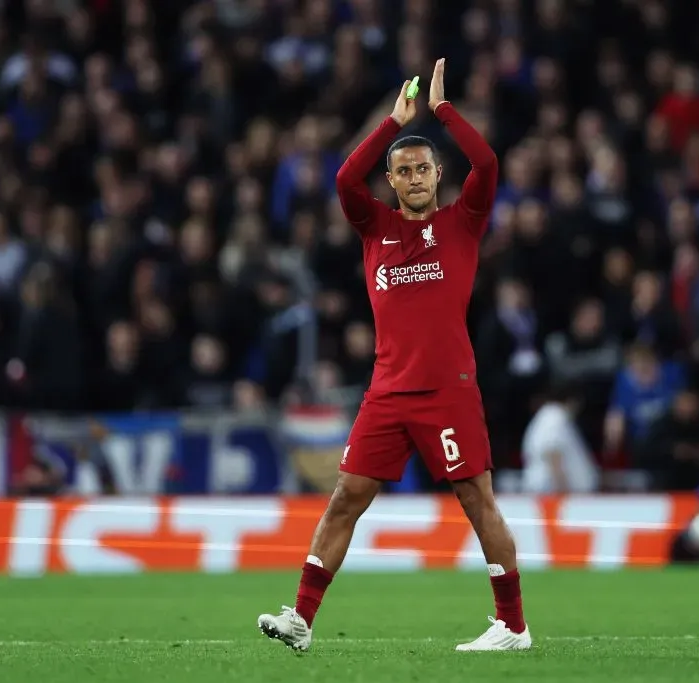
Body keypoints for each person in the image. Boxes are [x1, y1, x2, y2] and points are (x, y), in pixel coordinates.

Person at [257, 60, 530, 652]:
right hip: (387, 391)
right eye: (402, 171)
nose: (412, 177)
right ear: (392, 180)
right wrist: (393, 123)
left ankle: (513, 626)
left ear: (437, 174)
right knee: (345, 498)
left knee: (477, 500)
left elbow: (487, 163)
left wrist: (443, 113)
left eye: (422, 168)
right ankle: (301, 618)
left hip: (448, 389)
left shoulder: (463, 222)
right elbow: (343, 180)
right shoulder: (374, 226)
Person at [520, 382, 600, 494]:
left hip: (554, 494)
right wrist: (562, 490)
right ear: (574, 401)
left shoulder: (548, 417)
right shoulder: (554, 417)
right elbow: (553, 453)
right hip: (552, 494)